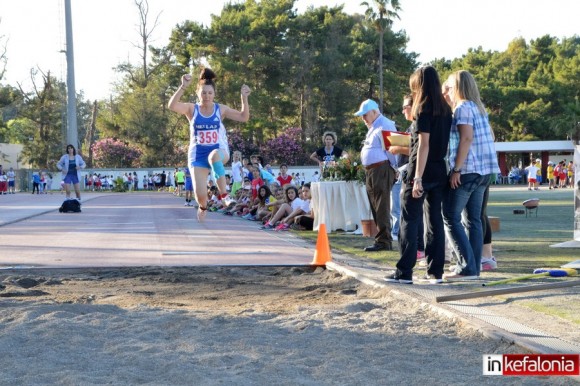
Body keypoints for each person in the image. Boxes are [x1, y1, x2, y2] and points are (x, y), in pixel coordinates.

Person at [385, 67, 452, 284]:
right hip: (439, 169)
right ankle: (435, 272)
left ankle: (404, 271)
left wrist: (417, 178)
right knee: (434, 222)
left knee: (409, 220)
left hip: (420, 170)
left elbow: (423, 145)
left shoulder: (423, 108)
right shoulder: (445, 109)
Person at [168, 67, 251, 221]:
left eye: (210, 93)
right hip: (197, 155)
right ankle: (203, 207)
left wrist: (244, 98)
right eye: (203, 93)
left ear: (214, 94)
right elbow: (172, 106)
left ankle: (225, 196)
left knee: (214, 157)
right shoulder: (192, 109)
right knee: (200, 195)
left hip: (219, 150)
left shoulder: (221, 109)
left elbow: (243, 117)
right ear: (198, 93)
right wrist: (183, 86)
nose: (206, 96)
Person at [442, 70, 500, 281]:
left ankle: (466, 266)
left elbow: (466, 139)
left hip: (469, 170)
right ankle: (473, 267)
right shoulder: (478, 108)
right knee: (474, 220)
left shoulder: (463, 108)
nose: (446, 91)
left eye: (448, 87)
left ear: (457, 87)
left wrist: (456, 169)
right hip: (485, 171)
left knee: (450, 216)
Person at [354, 99, 397, 252]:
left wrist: (393, 168)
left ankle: (384, 241)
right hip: (374, 170)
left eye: (365, 115)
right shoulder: (374, 126)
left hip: (381, 169)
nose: (363, 118)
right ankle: (382, 239)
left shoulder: (384, 124)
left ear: (374, 112)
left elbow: (392, 150)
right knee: (376, 205)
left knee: (381, 205)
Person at [390, 94, 426, 260]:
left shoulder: (419, 124)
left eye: (406, 106)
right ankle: (417, 249)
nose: (403, 110)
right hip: (409, 172)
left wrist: (398, 148)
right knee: (412, 214)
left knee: (413, 215)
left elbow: (419, 149)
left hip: (417, 175)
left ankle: (417, 249)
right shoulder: (412, 126)